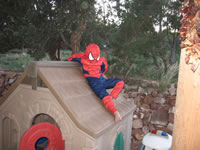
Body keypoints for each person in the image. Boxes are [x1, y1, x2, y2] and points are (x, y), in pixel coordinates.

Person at [67, 43, 124, 122]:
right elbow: (71, 58)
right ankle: (116, 113)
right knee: (104, 96)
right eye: (92, 56)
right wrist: (65, 62)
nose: (94, 59)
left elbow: (105, 67)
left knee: (120, 82)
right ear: (88, 53)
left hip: (102, 79)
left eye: (96, 56)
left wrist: (101, 74)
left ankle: (111, 97)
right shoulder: (81, 58)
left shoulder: (101, 60)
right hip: (94, 82)